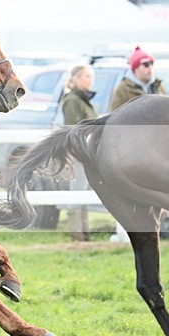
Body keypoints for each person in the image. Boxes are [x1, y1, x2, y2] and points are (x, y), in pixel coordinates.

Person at [61, 65, 96, 241]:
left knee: (82, 193)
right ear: (76, 78)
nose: (91, 80)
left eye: (91, 76)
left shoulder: (82, 99)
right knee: (77, 194)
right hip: (78, 155)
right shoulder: (73, 100)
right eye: (87, 76)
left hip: (86, 154)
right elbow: (73, 129)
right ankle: (77, 235)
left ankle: (84, 234)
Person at [109, 46, 167, 111]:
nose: (150, 67)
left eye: (151, 63)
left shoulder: (158, 85)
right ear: (135, 68)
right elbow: (115, 117)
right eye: (146, 64)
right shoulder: (122, 90)